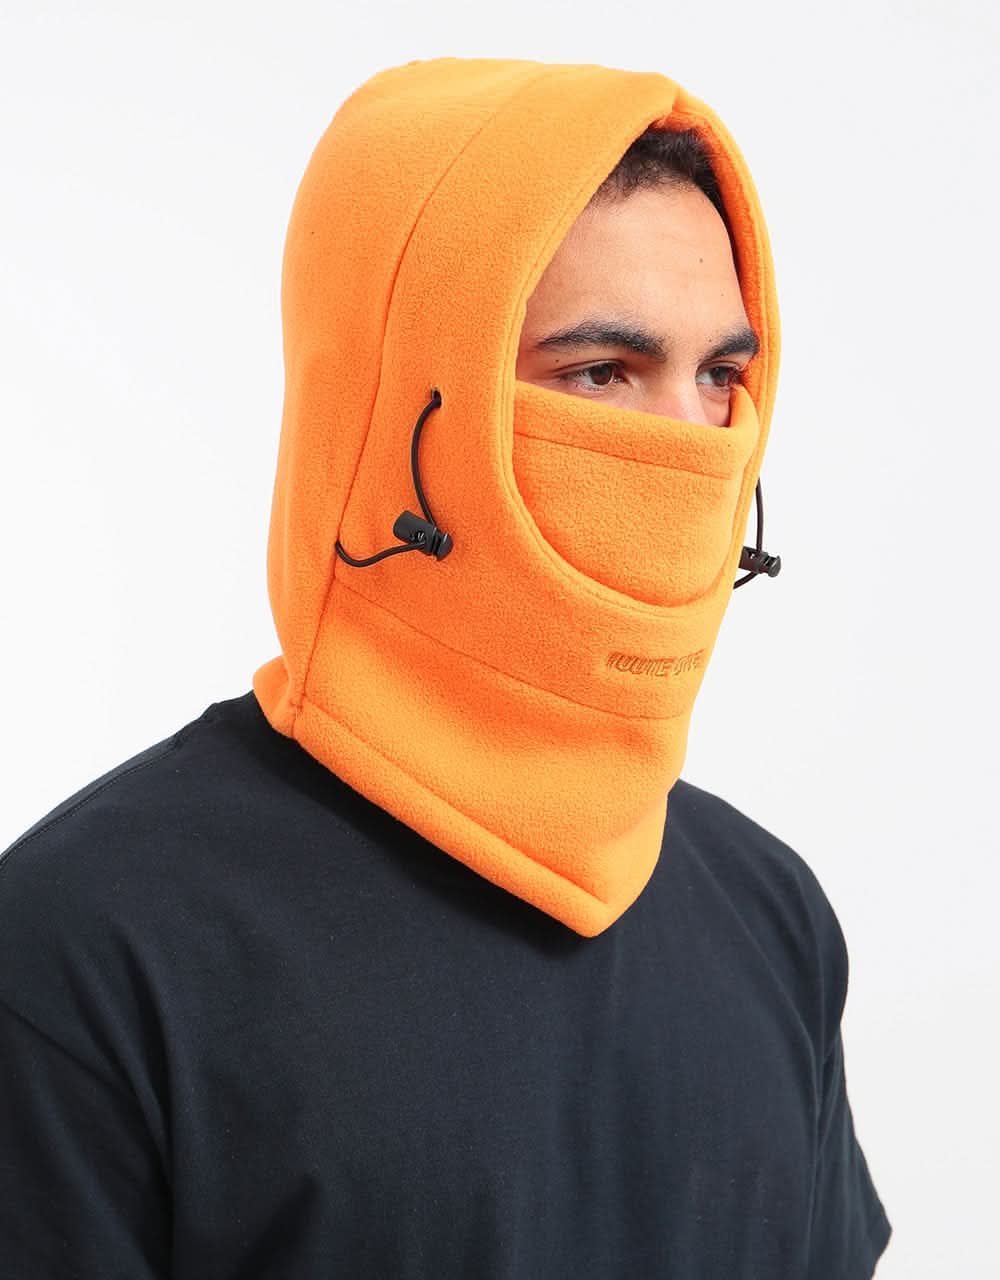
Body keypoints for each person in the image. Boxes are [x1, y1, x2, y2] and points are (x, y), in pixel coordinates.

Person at [0, 56, 892, 1278]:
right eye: (601, 371)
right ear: (395, 410)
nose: (693, 450)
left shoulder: (769, 913)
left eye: (720, 376)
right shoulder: (89, 952)